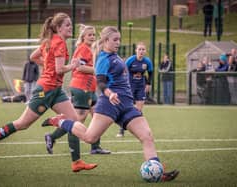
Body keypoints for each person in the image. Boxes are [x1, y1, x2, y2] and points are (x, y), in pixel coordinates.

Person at [42, 26, 179, 182]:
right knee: (89, 138)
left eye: (119, 39)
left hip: (127, 106)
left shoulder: (116, 56)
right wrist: (110, 93)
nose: (118, 43)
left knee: (147, 136)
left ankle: (157, 172)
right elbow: (100, 82)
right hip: (109, 104)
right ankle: (59, 121)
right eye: (115, 39)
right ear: (106, 41)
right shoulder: (103, 58)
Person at [0, 12, 97, 172]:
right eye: (67, 25)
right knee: (22, 124)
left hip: (56, 90)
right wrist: (73, 66)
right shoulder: (59, 43)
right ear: (58, 28)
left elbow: (34, 57)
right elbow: (60, 69)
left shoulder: (51, 41)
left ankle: (76, 162)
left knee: (74, 121)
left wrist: (48, 66)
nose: (70, 28)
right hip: (46, 90)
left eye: (70, 24)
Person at [44, 24, 111, 155]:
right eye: (89, 35)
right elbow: (79, 68)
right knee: (78, 119)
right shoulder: (83, 49)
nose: (92, 37)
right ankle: (52, 137)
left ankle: (95, 147)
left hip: (89, 89)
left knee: (98, 116)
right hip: (82, 88)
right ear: (83, 37)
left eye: (93, 35)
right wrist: (99, 71)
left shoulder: (89, 49)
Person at [116, 42, 153, 137]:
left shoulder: (147, 61)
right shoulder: (130, 60)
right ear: (136, 50)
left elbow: (150, 72)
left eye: (143, 49)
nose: (141, 51)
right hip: (130, 85)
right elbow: (123, 71)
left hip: (141, 86)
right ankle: (122, 129)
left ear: (145, 51)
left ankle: (139, 129)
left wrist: (148, 84)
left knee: (139, 109)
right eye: (139, 49)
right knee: (127, 106)